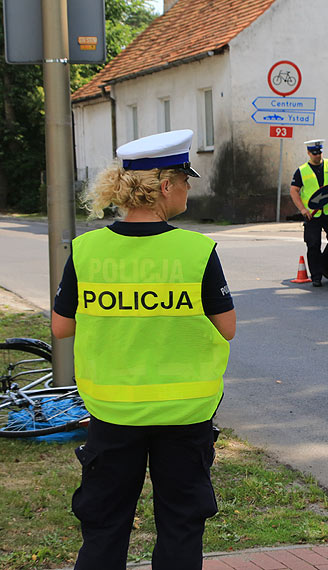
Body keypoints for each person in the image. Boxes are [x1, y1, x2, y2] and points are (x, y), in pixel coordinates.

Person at [51, 129, 236, 570]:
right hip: (184, 416)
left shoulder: (87, 250)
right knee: (180, 525)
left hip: (113, 415)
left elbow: (61, 328)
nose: (190, 188)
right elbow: (226, 328)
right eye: (185, 180)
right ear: (165, 186)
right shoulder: (196, 250)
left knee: (104, 525)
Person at [289, 139, 328, 287]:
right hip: (312, 213)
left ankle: (324, 263)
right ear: (309, 153)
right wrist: (302, 209)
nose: (317, 155)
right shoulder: (302, 171)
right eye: (314, 153)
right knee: (313, 244)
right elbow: (294, 190)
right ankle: (316, 276)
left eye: (319, 152)